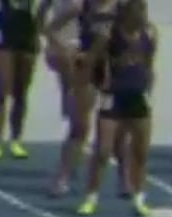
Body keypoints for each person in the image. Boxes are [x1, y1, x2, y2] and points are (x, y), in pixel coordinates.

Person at [76, 0, 155, 217]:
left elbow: (149, 64)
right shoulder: (109, 35)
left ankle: (139, 197)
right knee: (103, 150)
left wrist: (148, 88)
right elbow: (91, 60)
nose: (140, 15)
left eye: (142, 10)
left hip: (138, 96)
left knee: (141, 150)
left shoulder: (149, 33)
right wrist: (95, 83)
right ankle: (91, 196)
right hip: (113, 95)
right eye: (136, 10)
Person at [44, 0, 117, 198]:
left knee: (119, 125)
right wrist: (63, 51)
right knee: (80, 124)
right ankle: (63, 175)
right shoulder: (82, 7)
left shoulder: (122, 8)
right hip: (87, 69)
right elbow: (50, 28)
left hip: (115, 70)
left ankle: (128, 183)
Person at [0, 0, 44, 160]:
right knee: (0, 91)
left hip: (28, 40)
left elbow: (42, 12)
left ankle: (16, 139)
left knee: (21, 94)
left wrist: (40, 34)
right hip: (5, 40)